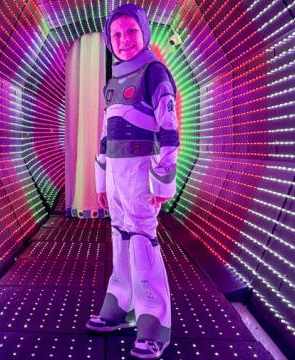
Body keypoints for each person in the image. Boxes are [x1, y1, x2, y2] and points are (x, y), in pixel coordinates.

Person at [85, 4, 179, 359]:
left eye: (131, 32)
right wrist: (103, 180)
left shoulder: (155, 73)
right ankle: (120, 306)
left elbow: (169, 130)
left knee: (141, 239)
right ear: (110, 40)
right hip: (117, 172)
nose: (124, 40)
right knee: (120, 236)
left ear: (144, 32)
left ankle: (154, 323)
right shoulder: (114, 80)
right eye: (117, 34)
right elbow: (107, 134)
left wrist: (162, 181)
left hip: (142, 171)